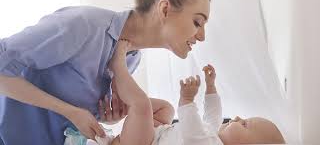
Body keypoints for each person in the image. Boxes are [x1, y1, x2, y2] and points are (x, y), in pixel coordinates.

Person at [0, 0, 211, 144]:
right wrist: (70, 112)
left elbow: (76, 106)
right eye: (197, 22)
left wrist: (107, 117)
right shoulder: (82, 25)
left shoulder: (131, 58)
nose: (201, 36)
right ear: (164, 9)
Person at [101, 39, 285, 145]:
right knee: (166, 109)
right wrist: (211, 87)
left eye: (244, 124)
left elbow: (191, 131)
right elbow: (213, 115)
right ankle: (126, 105)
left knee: (142, 106)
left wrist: (187, 100)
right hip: (156, 135)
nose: (237, 118)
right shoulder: (213, 135)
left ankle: (118, 67)